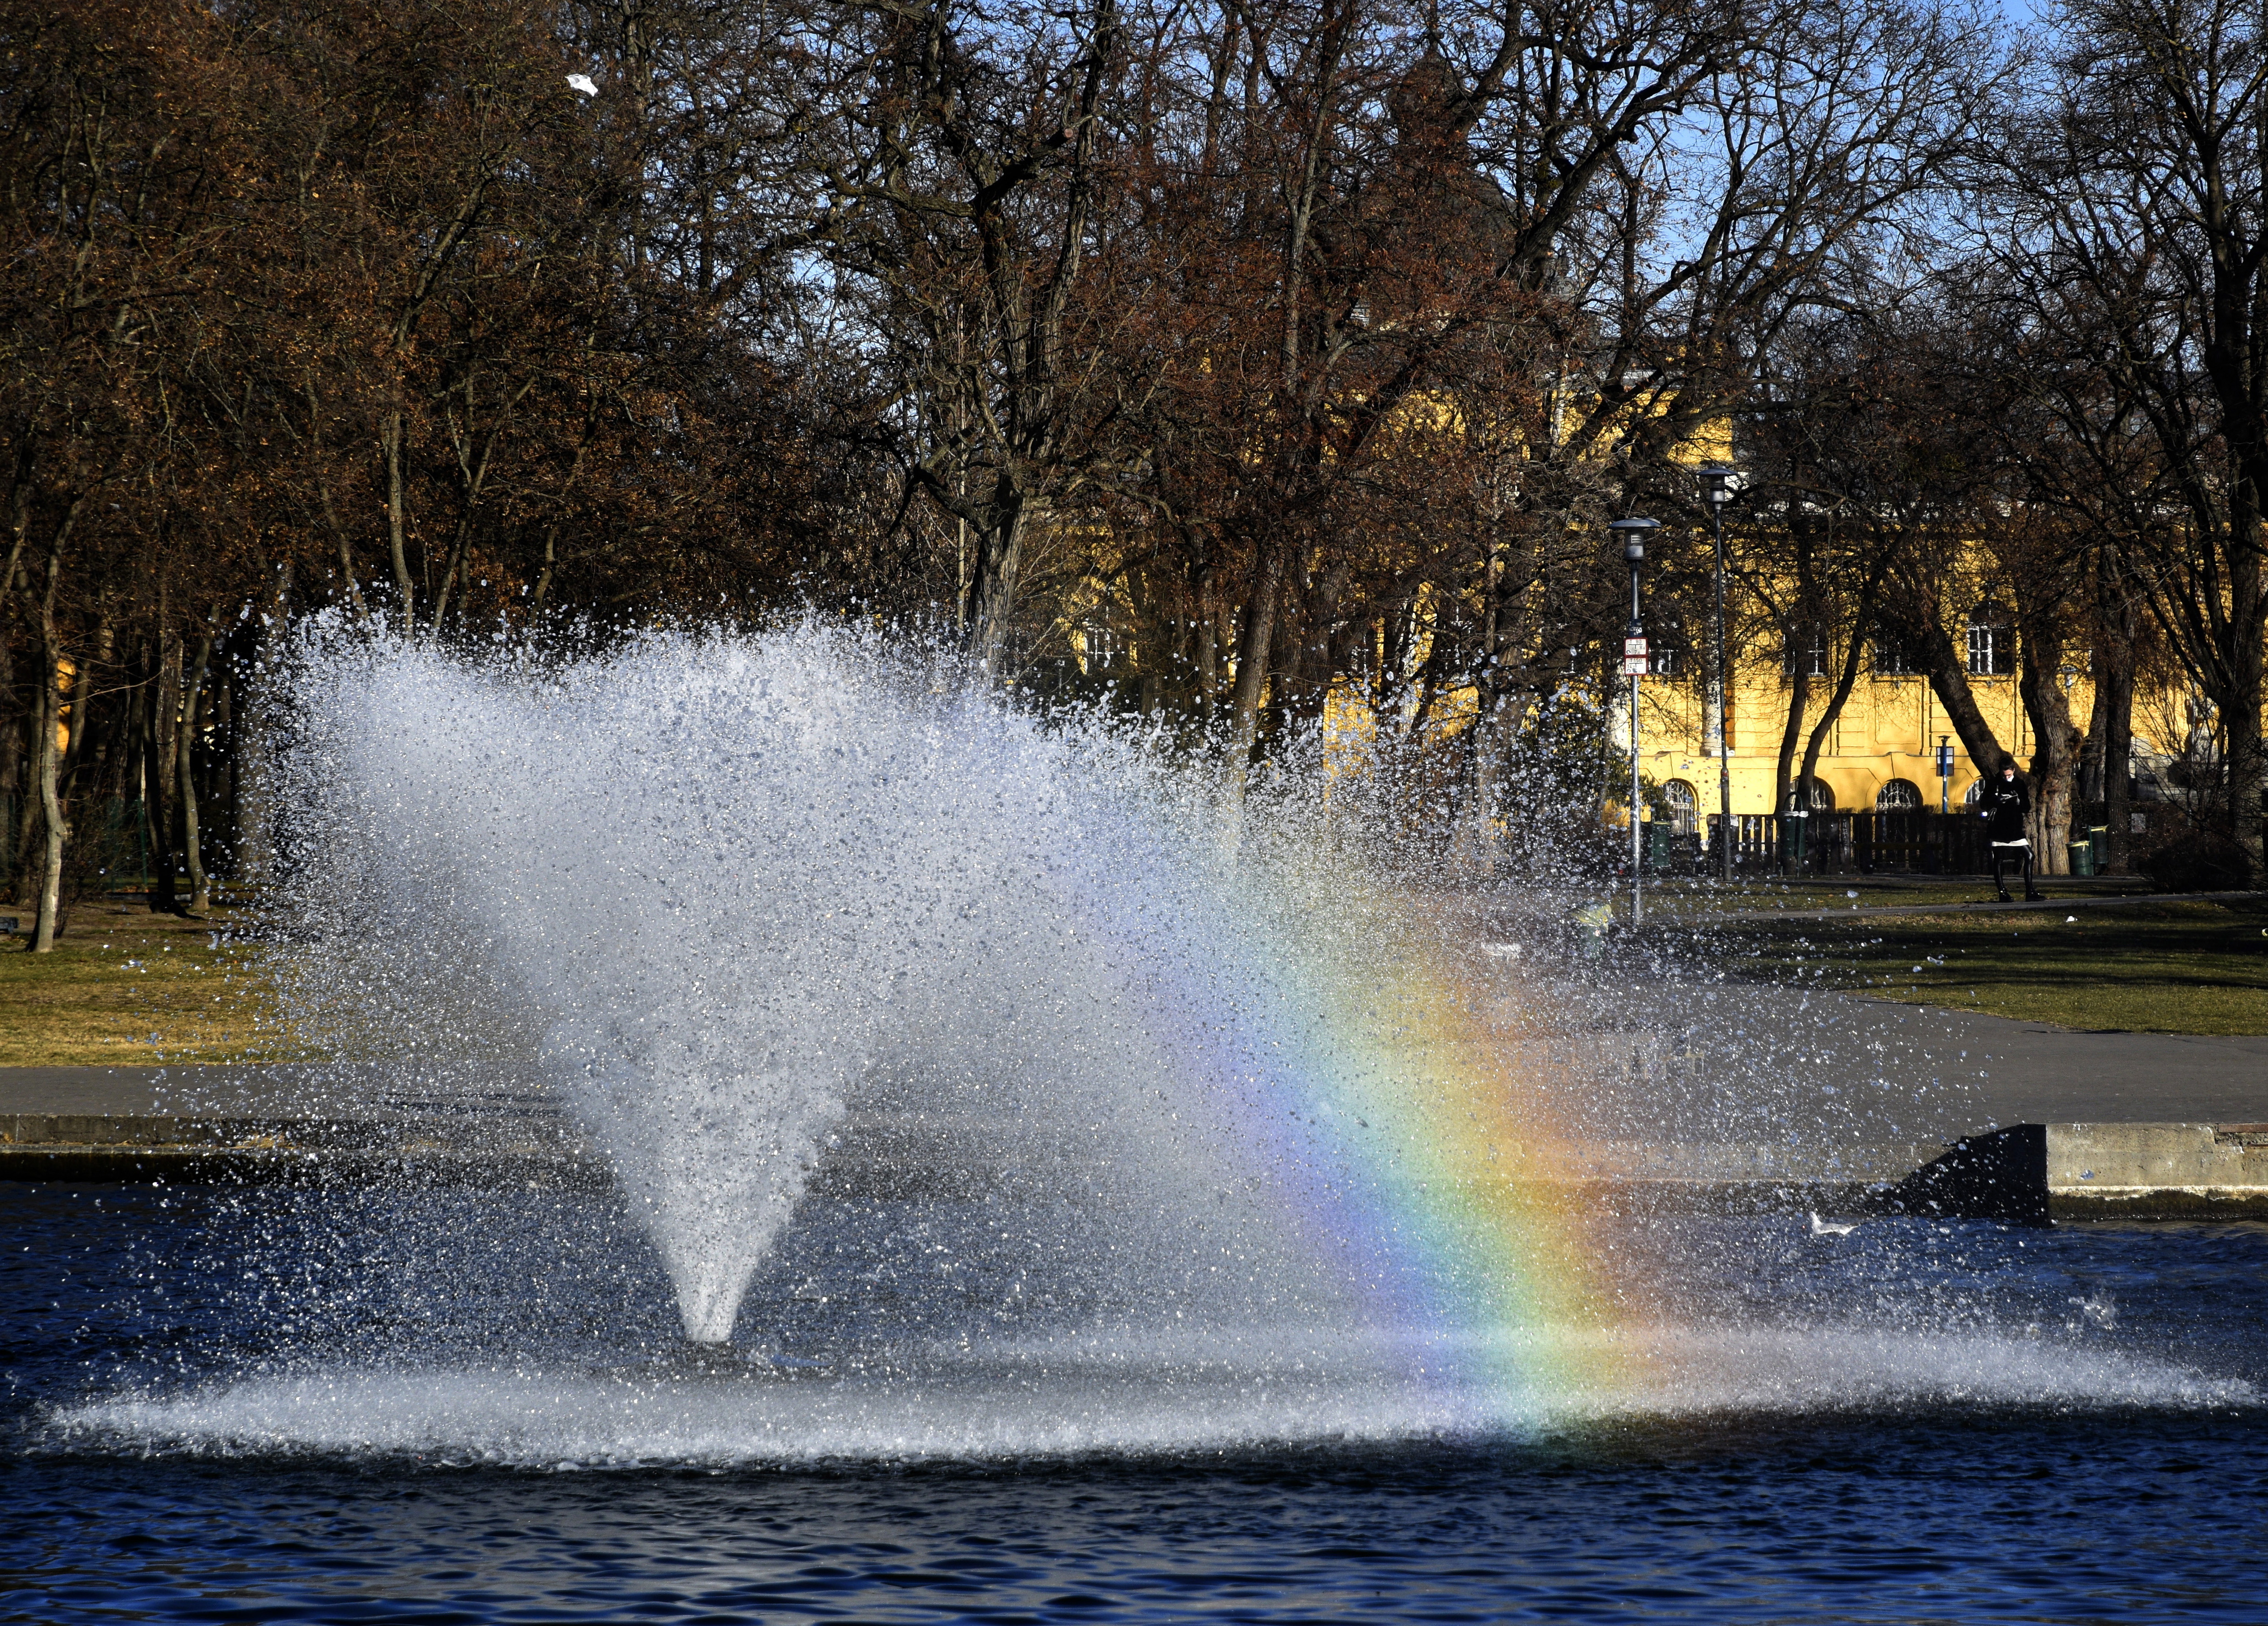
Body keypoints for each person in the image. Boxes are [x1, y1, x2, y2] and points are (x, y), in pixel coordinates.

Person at [1979, 763, 2040, 902]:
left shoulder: (2019, 783)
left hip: (2014, 826)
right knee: (1999, 858)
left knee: (2029, 855)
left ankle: (2030, 891)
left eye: (2009, 775)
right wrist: (1997, 800)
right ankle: (2003, 892)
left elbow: (2027, 807)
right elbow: (1984, 803)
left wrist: (2018, 801)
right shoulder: (1994, 783)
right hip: (1998, 826)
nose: (2007, 778)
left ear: (2013, 770)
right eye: (2004, 775)